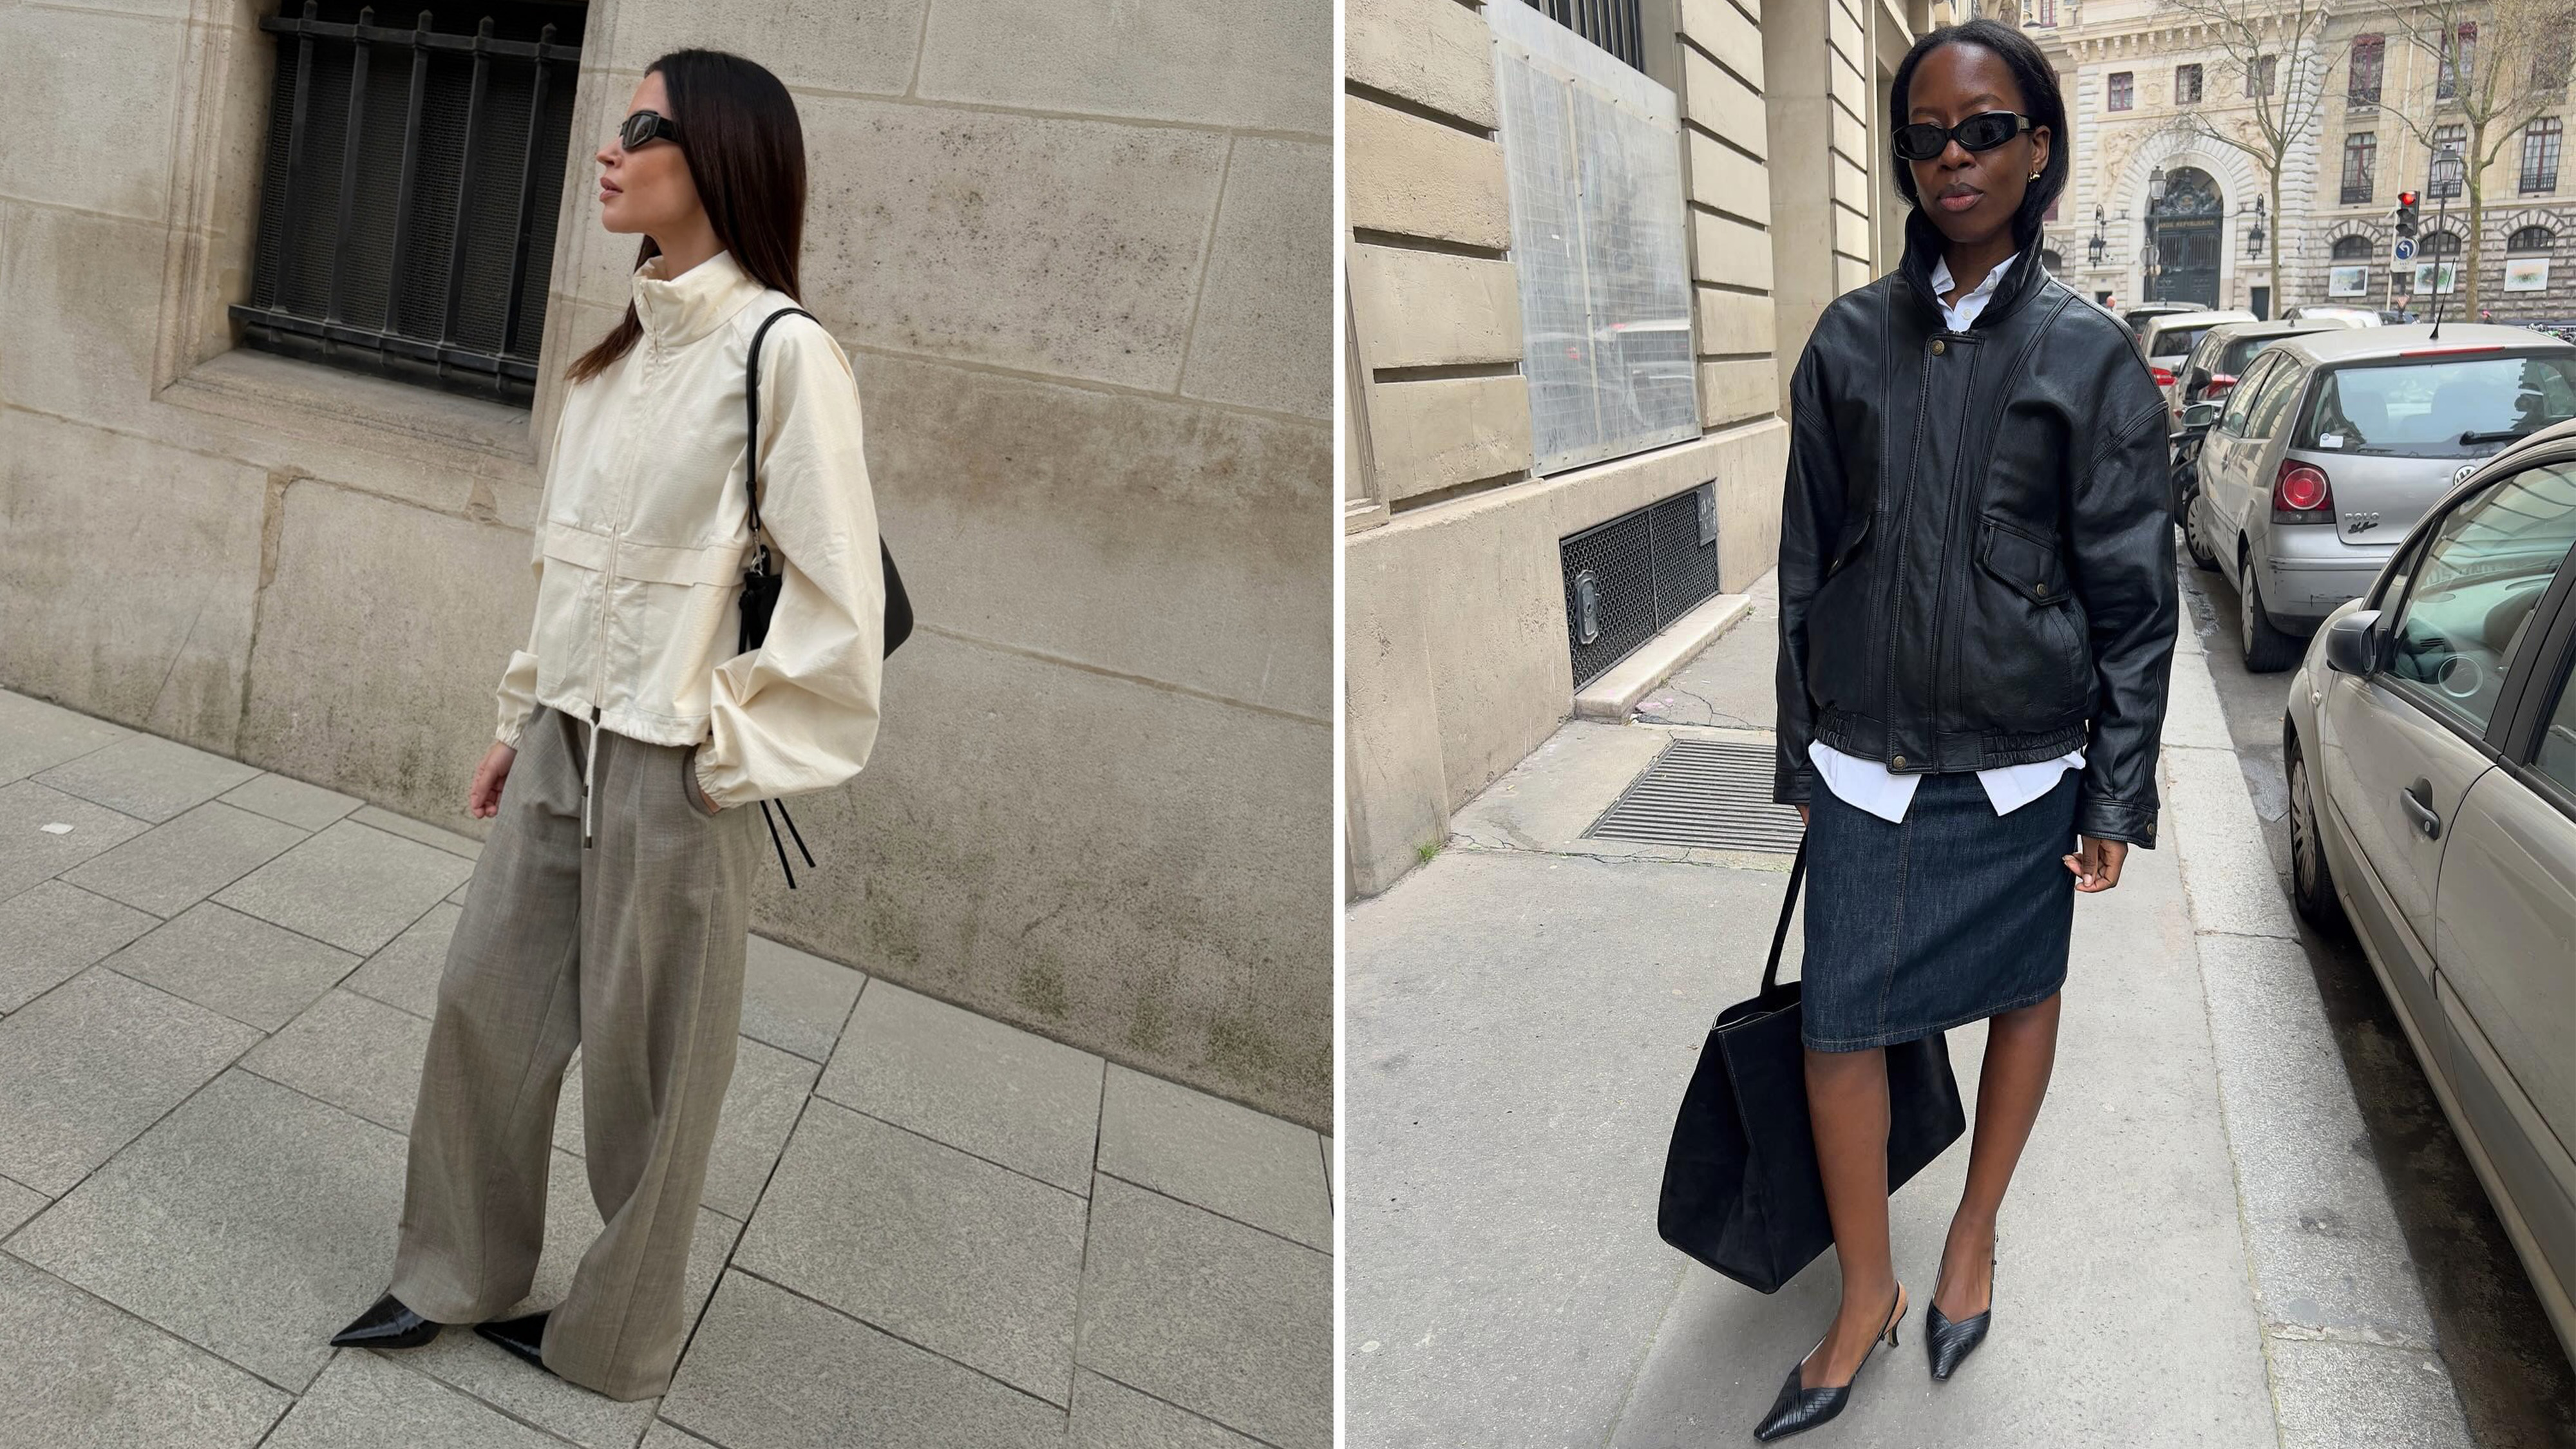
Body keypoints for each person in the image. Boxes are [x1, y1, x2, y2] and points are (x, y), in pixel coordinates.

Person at [327, 48, 886, 1402]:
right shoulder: (613, 359)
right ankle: (451, 1271)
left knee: (653, 1075)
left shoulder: (782, 353)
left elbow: (838, 603)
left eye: (644, 125)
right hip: (567, 739)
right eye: (619, 122)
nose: (610, 145)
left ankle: (616, 1335)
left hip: (677, 767)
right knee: (484, 1008)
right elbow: (567, 566)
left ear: (723, 161)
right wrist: (517, 721)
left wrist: (727, 749)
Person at [1759, 19, 2176, 1441]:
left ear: (2038, 148)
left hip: (2017, 771)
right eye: (1926, 134)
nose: (1952, 156)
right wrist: (1792, 751)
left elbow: (2132, 600)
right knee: (1835, 1029)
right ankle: (1862, 1290)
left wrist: (2114, 792)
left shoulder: (2090, 358)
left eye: (1983, 128)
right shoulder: (1846, 343)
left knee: (2017, 996)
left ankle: (1969, 1236)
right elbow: (1803, 559)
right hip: (1867, 757)